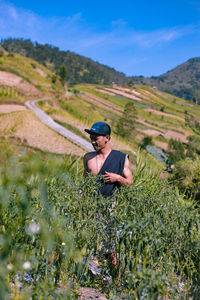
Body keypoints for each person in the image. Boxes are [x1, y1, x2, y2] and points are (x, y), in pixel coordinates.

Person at [84, 121, 132, 198]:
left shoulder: (121, 158)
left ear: (107, 138)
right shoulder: (88, 157)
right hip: (89, 204)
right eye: (91, 139)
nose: (92, 142)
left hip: (110, 206)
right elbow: (84, 183)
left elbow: (129, 184)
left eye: (95, 139)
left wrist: (118, 178)